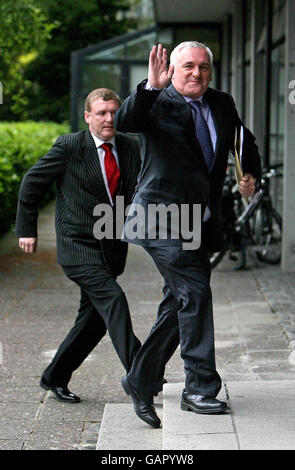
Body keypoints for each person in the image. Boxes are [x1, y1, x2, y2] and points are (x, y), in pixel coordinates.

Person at [115, 42, 261, 428]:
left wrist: (250, 174)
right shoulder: (156, 102)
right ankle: (199, 388)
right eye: (188, 67)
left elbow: (242, 140)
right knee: (195, 293)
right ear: (173, 70)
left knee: (180, 302)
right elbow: (127, 120)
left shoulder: (222, 103)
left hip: (199, 221)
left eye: (204, 68)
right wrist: (149, 86)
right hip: (161, 218)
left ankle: (140, 379)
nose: (196, 74)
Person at [15, 88, 142, 403]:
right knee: (112, 300)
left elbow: (142, 186)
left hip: (111, 248)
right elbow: (32, 182)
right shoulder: (70, 146)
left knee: (95, 319)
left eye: (114, 112)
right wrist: (27, 229)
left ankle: (54, 376)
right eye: (101, 113)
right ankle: (143, 372)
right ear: (88, 117)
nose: (109, 119)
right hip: (76, 246)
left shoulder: (129, 146)